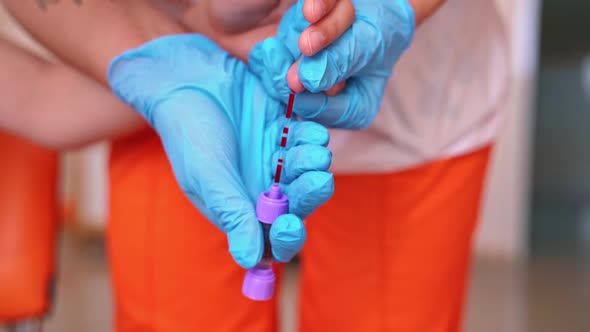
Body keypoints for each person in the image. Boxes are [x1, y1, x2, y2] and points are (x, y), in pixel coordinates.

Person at [0, 0, 509, 331]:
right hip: (168, 110)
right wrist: (170, 56)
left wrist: (395, 7)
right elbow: (38, 99)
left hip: (415, 110)